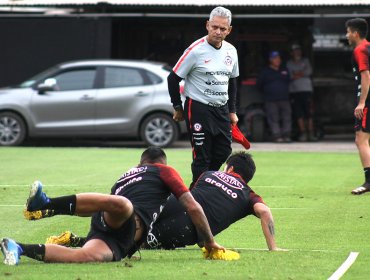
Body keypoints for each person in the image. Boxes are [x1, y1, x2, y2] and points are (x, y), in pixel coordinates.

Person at [0, 147, 223, 265]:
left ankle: (18, 247)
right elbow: (192, 206)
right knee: (123, 205)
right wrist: (209, 241)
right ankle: (45, 204)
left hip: (113, 227)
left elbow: (96, 204)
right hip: (123, 218)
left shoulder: (126, 174)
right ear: (161, 163)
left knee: (87, 256)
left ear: (140, 162)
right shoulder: (165, 170)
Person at [46, 152, 283, 252]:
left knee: (136, 225)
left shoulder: (209, 174)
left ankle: (81, 238)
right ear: (245, 176)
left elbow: (189, 198)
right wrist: (272, 247)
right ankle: (78, 242)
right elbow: (264, 212)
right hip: (188, 230)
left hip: (175, 205)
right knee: (141, 243)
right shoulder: (248, 194)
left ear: (229, 168)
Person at [167, 6, 239, 186]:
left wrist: (232, 111)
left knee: (223, 151)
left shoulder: (231, 51)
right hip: (198, 107)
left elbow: (233, 82)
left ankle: (207, 183)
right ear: (207, 25)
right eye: (214, 27)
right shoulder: (195, 51)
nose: (218, 31)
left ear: (229, 30)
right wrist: (177, 107)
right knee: (202, 155)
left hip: (221, 109)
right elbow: (172, 78)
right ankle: (198, 195)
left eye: (223, 29)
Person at [345, 18, 370, 195]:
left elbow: (366, 75)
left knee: (360, 139)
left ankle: (369, 182)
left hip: (368, 101)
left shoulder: (360, 50)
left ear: (355, 33)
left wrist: (362, 103)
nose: (346, 35)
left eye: (348, 32)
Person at [257, 51, 292, 143]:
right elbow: (259, 85)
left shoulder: (284, 70)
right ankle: (277, 136)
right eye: (275, 58)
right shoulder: (265, 72)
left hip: (284, 98)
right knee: (273, 118)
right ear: (271, 60)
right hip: (271, 99)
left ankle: (286, 135)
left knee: (287, 117)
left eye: (278, 58)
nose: (277, 60)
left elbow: (289, 81)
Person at [286, 44, 317, 142]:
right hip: (294, 90)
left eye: (298, 50)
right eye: (295, 51)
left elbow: (309, 71)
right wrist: (301, 73)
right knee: (299, 113)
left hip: (306, 90)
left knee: (309, 112)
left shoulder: (305, 61)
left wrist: (297, 74)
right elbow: (290, 75)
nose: (297, 52)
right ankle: (303, 132)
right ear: (292, 53)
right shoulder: (289, 63)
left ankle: (311, 133)